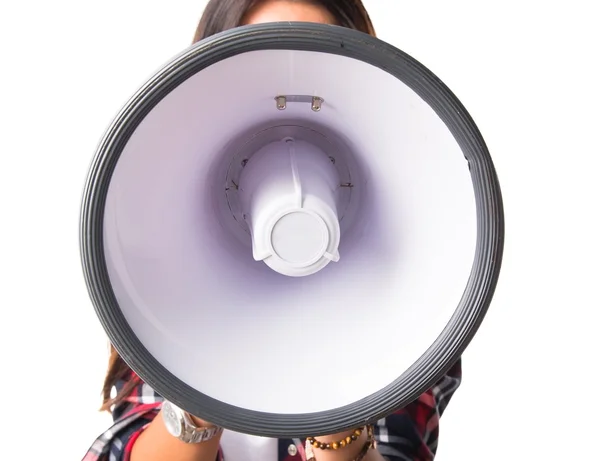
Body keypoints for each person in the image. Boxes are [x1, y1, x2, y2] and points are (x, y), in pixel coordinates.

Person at [84, 1, 462, 460]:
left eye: (314, 53)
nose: (288, 77)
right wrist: (197, 379)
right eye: (258, 54)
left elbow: (399, 448)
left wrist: (339, 410)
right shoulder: (153, 272)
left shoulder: (420, 293)